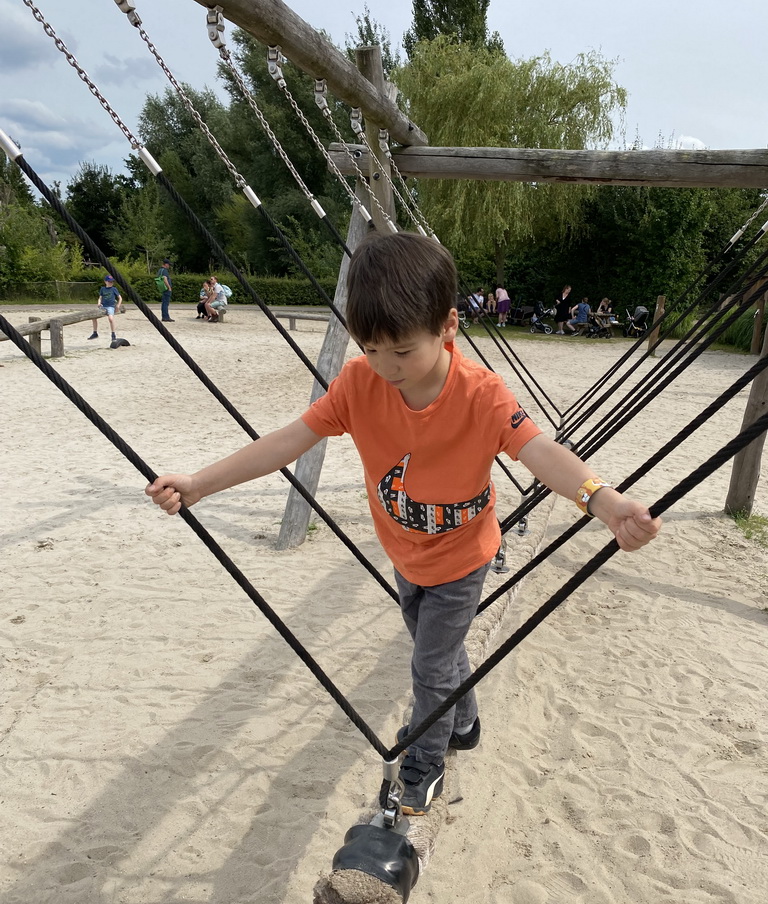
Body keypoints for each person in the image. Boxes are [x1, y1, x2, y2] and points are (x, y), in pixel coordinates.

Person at [145, 233, 661, 815]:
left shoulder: (482, 396)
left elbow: (540, 451)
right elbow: (287, 442)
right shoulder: (359, 384)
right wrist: (199, 484)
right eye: (371, 349)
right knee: (438, 649)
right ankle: (464, 723)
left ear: (449, 326)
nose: (388, 367)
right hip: (405, 552)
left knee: (430, 663)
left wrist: (604, 501)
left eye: (403, 352)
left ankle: (426, 764)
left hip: (464, 557)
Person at [87, 274, 124, 349]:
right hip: (103, 306)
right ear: (105, 282)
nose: (111, 283)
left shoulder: (114, 289)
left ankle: (113, 334)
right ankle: (95, 332)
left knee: (110, 319)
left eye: (112, 282)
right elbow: (100, 298)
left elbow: (120, 298)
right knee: (93, 316)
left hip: (110, 306)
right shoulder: (102, 289)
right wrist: (98, 303)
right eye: (109, 282)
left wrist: (118, 305)